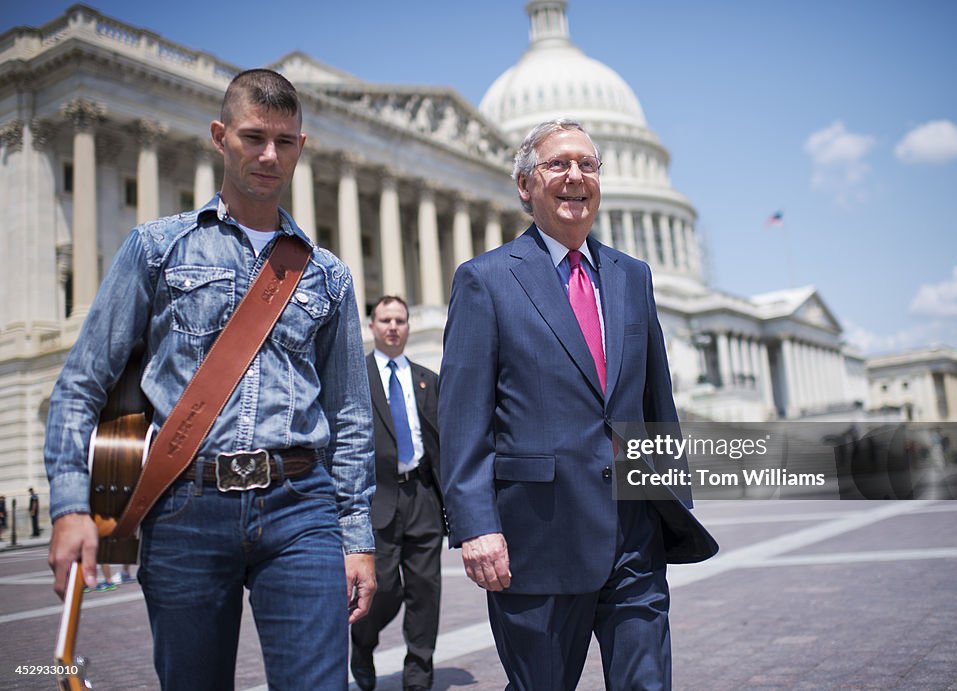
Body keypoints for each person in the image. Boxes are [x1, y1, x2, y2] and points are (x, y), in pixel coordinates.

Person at [44, 69, 376, 690]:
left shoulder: (328, 274)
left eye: (284, 141)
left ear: (301, 147)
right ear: (220, 137)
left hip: (299, 503)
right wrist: (69, 506)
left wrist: (355, 533)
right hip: (186, 503)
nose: (269, 155)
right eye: (254, 137)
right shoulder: (156, 248)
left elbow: (351, 414)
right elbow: (82, 382)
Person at [439, 118, 718, 690]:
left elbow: (655, 401)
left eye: (587, 165)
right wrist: (475, 525)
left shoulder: (631, 276)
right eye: (557, 165)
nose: (574, 177)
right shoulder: (485, 281)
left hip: (634, 536)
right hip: (536, 541)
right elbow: (464, 418)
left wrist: (673, 502)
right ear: (525, 185)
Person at [351, 295, 445, 691]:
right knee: (383, 586)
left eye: (400, 320)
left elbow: (442, 440)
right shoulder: (356, 376)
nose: (393, 326)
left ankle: (418, 672)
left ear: (408, 326)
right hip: (378, 498)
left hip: (422, 494)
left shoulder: (427, 379)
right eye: (385, 319)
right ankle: (362, 645)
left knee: (426, 589)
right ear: (372, 326)